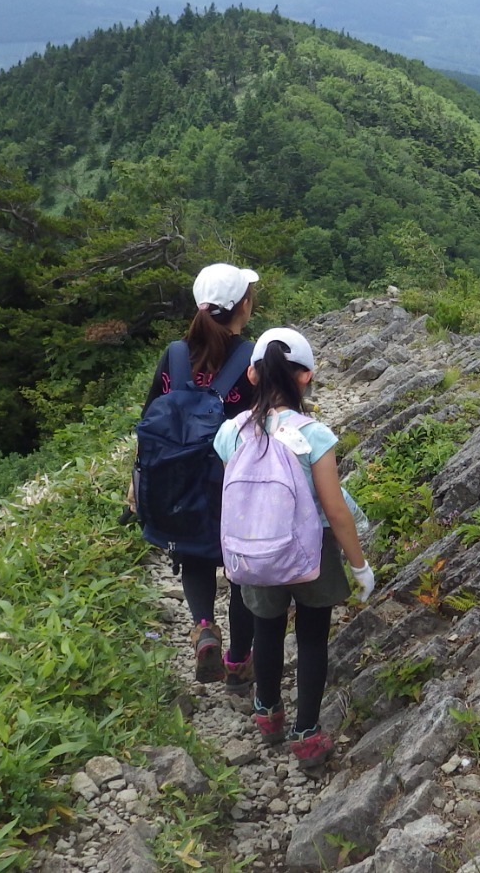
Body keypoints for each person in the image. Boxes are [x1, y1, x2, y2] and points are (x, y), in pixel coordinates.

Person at [213, 326, 374, 772]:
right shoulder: (314, 434)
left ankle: (267, 713)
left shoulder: (230, 433)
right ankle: (307, 734)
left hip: (256, 549)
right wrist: (359, 565)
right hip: (312, 551)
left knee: (266, 628)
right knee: (311, 636)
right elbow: (334, 509)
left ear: (251, 375)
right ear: (305, 377)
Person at [135, 262, 261, 690]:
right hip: (234, 481)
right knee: (241, 570)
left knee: (194, 554)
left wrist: (135, 482)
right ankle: (238, 660)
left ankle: (204, 625)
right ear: (243, 304)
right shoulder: (250, 360)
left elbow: (149, 418)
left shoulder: (175, 355)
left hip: (180, 479)